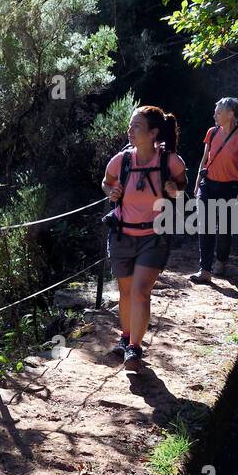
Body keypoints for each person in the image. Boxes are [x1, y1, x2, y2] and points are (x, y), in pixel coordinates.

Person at [100, 105, 187, 369]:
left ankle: (135, 350)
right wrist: (111, 192)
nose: (129, 131)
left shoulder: (170, 161)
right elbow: (107, 181)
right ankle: (126, 339)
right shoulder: (121, 160)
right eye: (130, 126)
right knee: (125, 292)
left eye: (136, 126)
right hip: (122, 235)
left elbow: (183, 187)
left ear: (153, 133)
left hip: (154, 236)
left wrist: (175, 189)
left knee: (140, 292)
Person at [189, 97, 238, 283]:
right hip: (208, 184)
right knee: (205, 225)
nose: (214, 115)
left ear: (231, 114)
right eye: (215, 112)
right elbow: (204, 160)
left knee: (224, 229)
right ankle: (205, 270)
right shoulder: (211, 132)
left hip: (230, 187)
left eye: (218, 112)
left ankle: (222, 260)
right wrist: (197, 181)